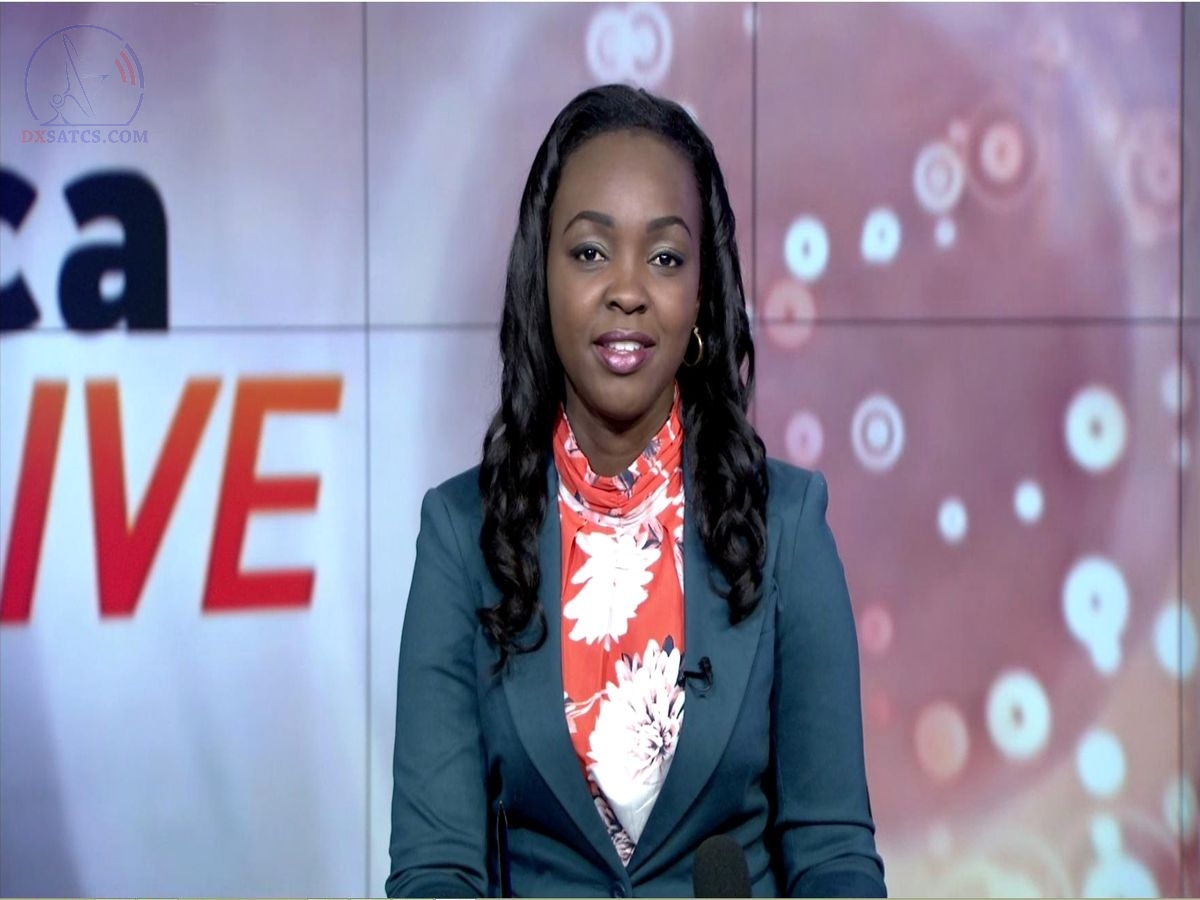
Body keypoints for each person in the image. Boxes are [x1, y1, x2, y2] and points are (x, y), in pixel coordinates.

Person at [387, 83, 886, 898]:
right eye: (590, 253)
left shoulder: (788, 526)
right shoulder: (460, 535)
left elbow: (832, 855)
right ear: (541, 280)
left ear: (702, 295)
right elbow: (435, 870)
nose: (628, 289)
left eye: (664, 258)